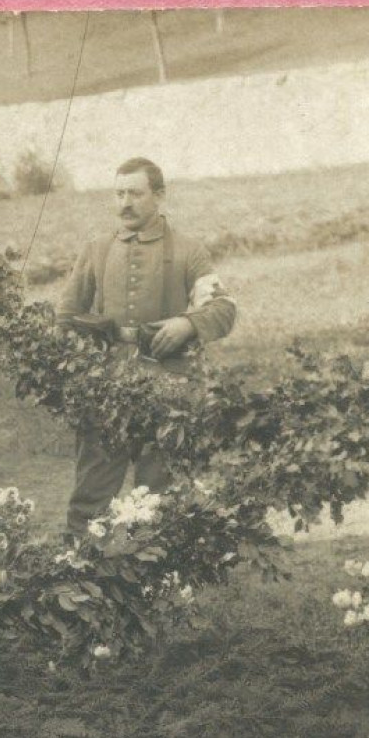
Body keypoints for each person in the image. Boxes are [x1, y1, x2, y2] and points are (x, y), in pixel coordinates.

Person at [57, 156, 237, 535]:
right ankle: (80, 574)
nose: (125, 202)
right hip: (107, 387)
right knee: (92, 487)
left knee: (160, 491)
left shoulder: (189, 250)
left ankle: (158, 576)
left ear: (159, 196)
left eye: (135, 193)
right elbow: (67, 315)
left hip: (167, 386)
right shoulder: (97, 249)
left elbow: (223, 308)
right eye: (119, 193)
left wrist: (187, 323)